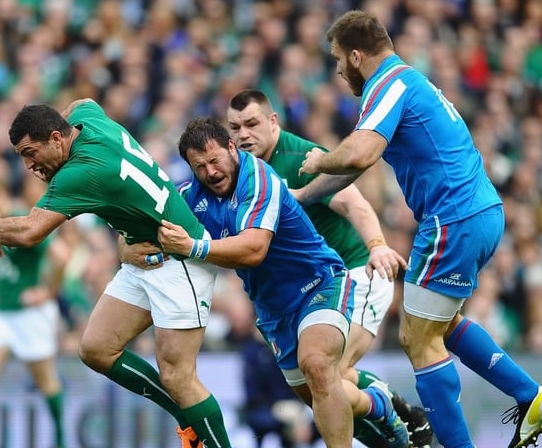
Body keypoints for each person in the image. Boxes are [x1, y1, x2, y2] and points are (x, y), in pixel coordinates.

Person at [296, 10, 542, 448]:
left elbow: (359, 154)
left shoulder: (388, 85)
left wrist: (320, 159)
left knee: (416, 339)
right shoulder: (408, 82)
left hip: (451, 218)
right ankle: (531, 395)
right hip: (479, 211)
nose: (338, 69)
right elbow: (356, 166)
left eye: (338, 59)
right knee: (439, 324)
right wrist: (305, 196)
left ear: (357, 56)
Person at [0, 99, 233, 448]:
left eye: (31, 152)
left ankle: (207, 435)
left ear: (56, 138)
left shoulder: (79, 173)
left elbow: (29, 232)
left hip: (180, 263)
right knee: (96, 349)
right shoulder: (88, 121)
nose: (28, 165)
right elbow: (84, 102)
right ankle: (187, 419)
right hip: (142, 256)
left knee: (179, 376)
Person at [125, 116, 410, 448]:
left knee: (317, 364)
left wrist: (192, 246)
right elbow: (140, 224)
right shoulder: (189, 196)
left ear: (232, 148)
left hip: (320, 284)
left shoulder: (259, 177)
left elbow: (253, 249)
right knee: (322, 392)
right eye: (199, 166)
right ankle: (378, 404)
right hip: (273, 310)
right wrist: (130, 249)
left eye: (215, 160)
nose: (211, 172)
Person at [226, 89, 432, 447]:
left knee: (328, 375)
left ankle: (397, 413)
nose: (243, 134)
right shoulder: (240, 171)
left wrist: (377, 246)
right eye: (234, 127)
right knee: (319, 389)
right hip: (313, 292)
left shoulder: (300, 158)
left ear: (273, 122)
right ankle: (393, 417)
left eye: (252, 124)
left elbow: (354, 204)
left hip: (355, 275)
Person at [0, 176, 67, 448]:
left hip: (30, 316)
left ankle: (61, 438)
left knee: (46, 381)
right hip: (1, 313)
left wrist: (47, 293)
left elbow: (61, 255)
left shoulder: (18, 222)